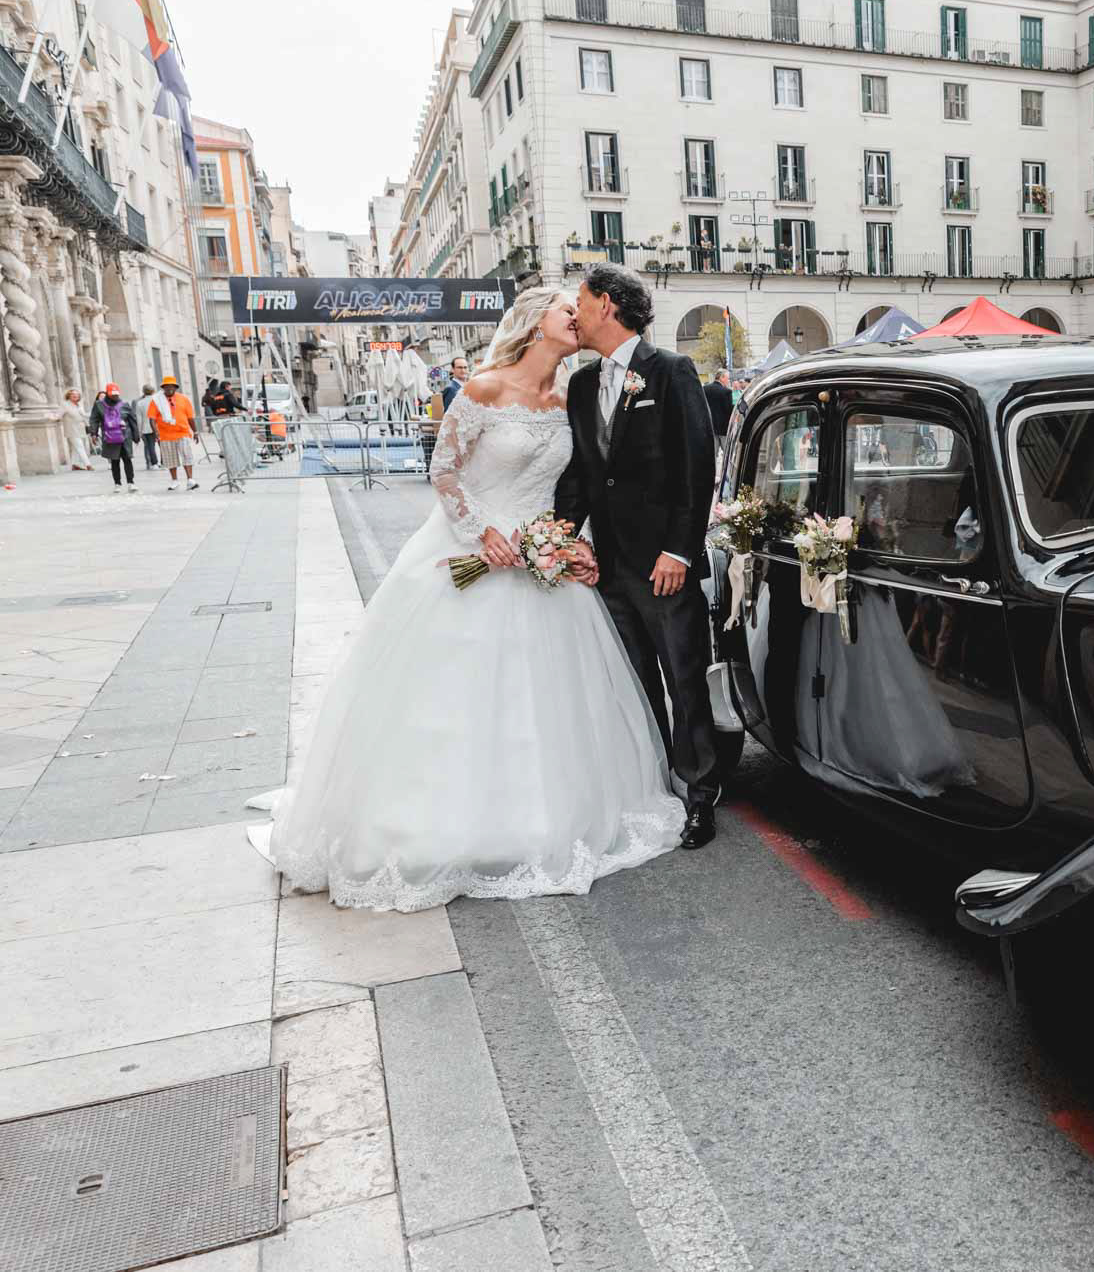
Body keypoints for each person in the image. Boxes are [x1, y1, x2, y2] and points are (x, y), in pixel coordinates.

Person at [245, 287, 686, 911]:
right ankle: (441, 824)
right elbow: (442, 470)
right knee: (457, 695)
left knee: (549, 702)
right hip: (471, 551)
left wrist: (565, 542)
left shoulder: (572, 397)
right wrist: (482, 531)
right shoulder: (483, 388)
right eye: (568, 311)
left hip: (541, 562)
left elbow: (579, 484)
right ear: (537, 326)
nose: (578, 318)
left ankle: (542, 818)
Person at [556, 264, 723, 849]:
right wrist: (560, 536)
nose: (573, 311)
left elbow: (697, 467)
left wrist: (680, 548)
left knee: (683, 680)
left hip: (663, 565)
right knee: (634, 683)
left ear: (606, 304)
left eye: (579, 299)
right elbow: (581, 473)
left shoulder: (671, 371)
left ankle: (701, 794)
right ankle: (654, 788)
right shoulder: (581, 385)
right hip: (610, 567)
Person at [151, 376, 199, 489]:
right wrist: (156, 433)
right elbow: (152, 419)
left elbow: (190, 417)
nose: (169, 388)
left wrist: (195, 431)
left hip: (182, 433)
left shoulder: (184, 399)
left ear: (176, 387)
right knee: (170, 459)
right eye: (167, 387)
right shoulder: (156, 400)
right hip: (165, 435)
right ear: (163, 388)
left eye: (172, 386)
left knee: (187, 456)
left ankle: (190, 480)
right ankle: (174, 480)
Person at [90, 385, 137, 492]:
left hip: (125, 436)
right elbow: (94, 419)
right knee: (114, 461)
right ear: (107, 394)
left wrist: (136, 435)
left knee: (127, 459)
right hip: (109, 436)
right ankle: (117, 484)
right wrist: (94, 433)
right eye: (113, 395)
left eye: (117, 394)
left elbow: (132, 420)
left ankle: (131, 482)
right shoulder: (99, 405)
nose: (115, 396)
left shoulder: (125, 404)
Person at [703, 367, 736, 441]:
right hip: (723, 428)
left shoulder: (704, 389)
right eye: (727, 378)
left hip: (709, 427)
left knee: (713, 451)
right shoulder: (726, 391)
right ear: (721, 378)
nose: (728, 381)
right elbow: (728, 410)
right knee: (726, 451)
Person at [136, 384, 161, 467]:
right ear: (153, 391)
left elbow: (139, 419)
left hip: (147, 428)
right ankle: (164, 461)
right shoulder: (158, 400)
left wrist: (140, 431)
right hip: (159, 426)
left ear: (143, 392)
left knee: (151, 446)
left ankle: (154, 463)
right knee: (162, 445)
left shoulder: (140, 403)